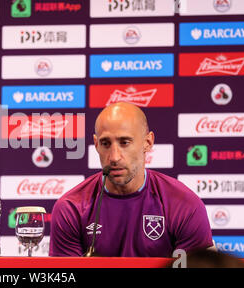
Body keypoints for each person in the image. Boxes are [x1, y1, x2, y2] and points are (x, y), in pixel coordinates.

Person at [50, 102, 213, 257]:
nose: (114, 157)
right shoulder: (70, 208)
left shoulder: (184, 205)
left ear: (147, 142)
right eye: (105, 143)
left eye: (125, 142)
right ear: (96, 145)